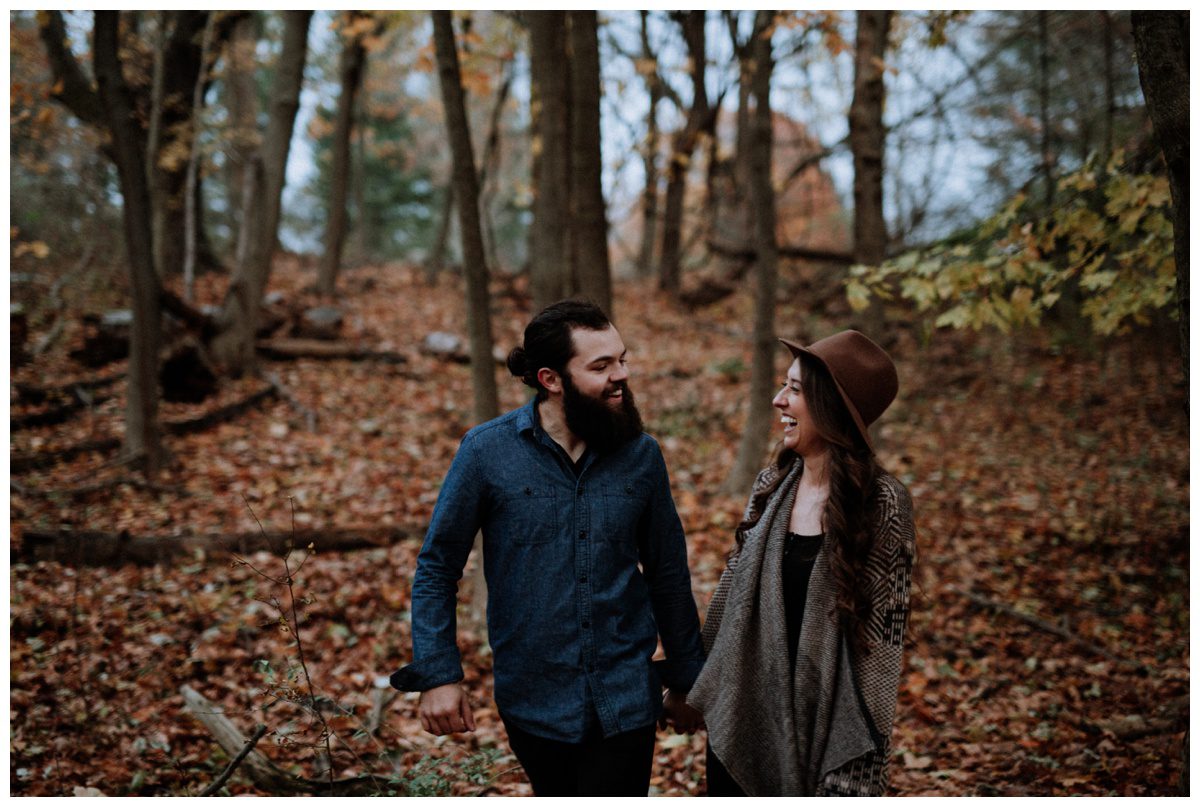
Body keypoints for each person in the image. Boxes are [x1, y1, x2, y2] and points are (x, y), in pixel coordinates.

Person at [390, 299, 705, 796]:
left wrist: (687, 680)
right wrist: (438, 674)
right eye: (600, 366)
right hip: (534, 702)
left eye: (621, 359)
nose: (620, 375)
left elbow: (667, 573)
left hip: (626, 701)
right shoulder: (486, 452)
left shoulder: (641, 455)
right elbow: (436, 567)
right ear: (551, 379)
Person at [687, 330, 916, 796]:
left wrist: (858, 767)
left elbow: (881, 645)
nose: (778, 400)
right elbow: (731, 592)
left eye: (794, 389)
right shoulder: (773, 483)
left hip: (822, 730)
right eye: (782, 385)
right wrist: (694, 684)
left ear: (831, 406)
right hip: (744, 711)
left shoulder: (882, 504)